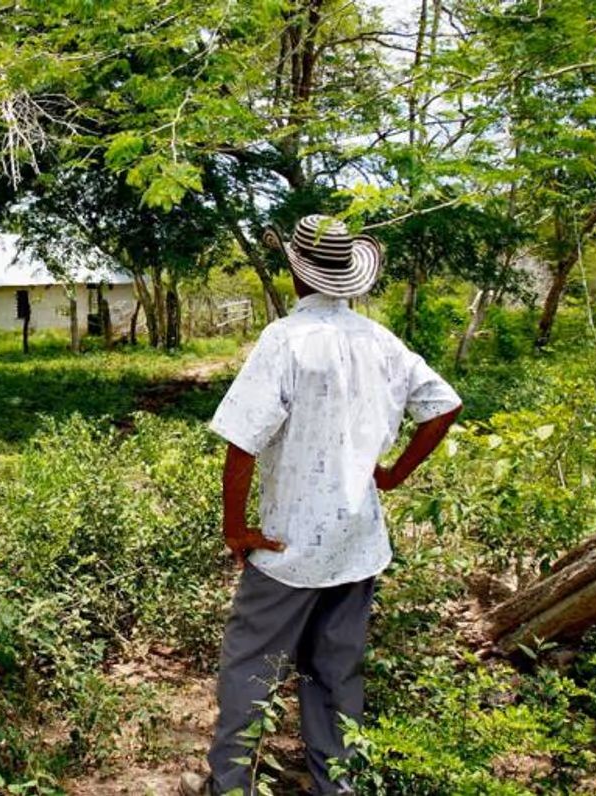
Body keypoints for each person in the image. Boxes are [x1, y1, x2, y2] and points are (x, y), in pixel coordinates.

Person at [181, 215, 462, 796]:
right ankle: (337, 782)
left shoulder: (285, 339)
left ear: (295, 272)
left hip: (289, 547)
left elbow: (243, 443)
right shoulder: (381, 342)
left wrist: (237, 528)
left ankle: (230, 784)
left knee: (250, 666)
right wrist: (394, 474)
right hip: (357, 543)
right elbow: (443, 406)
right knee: (336, 671)